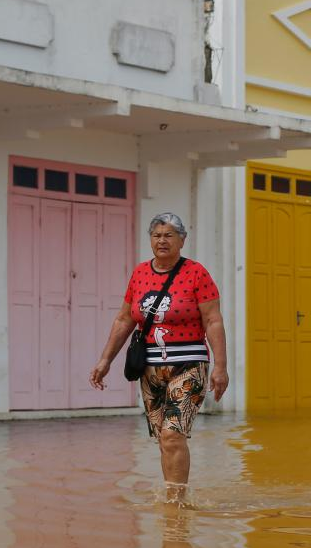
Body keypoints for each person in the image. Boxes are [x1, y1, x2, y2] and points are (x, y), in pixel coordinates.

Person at [90, 212, 228, 500]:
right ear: (150, 240)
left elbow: (213, 320)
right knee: (163, 440)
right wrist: (105, 360)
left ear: (182, 240)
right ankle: (173, 500)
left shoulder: (196, 273)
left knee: (173, 434)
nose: (162, 241)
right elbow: (125, 319)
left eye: (169, 235)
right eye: (156, 235)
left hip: (189, 364)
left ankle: (177, 505)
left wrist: (220, 367)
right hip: (150, 369)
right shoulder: (140, 273)